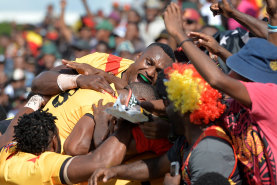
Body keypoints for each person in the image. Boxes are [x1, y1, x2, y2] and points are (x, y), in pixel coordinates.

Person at [163, 2, 277, 184]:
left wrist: (179, 35)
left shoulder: (271, 96)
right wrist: (219, 51)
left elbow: (218, 80)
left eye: (236, 71)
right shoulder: (234, 105)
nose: (229, 74)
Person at [89, 64, 241, 185]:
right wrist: (114, 171)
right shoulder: (187, 139)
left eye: (169, 104)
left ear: (183, 109)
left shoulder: (208, 151)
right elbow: (156, 166)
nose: (165, 110)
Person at [0, 108, 133, 185]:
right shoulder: (43, 166)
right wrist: (127, 121)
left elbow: (20, 117)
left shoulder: (8, 150)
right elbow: (100, 162)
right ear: (54, 143)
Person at [31, 42, 175, 97]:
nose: (150, 73)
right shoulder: (103, 60)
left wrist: (103, 76)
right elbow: (39, 82)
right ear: (138, 56)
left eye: (159, 72)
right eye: (149, 62)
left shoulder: (154, 99)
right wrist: (78, 80)